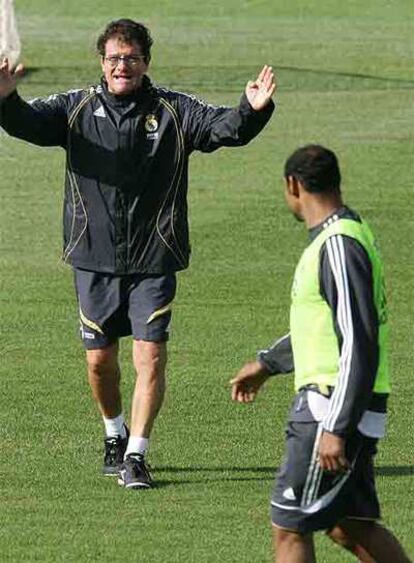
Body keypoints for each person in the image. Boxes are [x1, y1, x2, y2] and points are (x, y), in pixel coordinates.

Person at [0, 18, 276, 489]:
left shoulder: (173, 110)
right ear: (102, 64)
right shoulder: (75, 108)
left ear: (146, 61)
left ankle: (137, 453)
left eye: (130, 58)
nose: (122, 66)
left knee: (150, 357)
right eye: (113, 59)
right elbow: (26, 124)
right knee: (98, 363)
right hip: (94, 259)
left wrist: (250, 110)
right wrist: (6, 99)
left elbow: (221, 129)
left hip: (154, 260)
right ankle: (114, 431)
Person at [230, 145, 411, 562]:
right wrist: (267, 363)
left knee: (289, 527)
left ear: (292, 185)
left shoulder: (338, 245)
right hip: (347, 402)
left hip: (329, 406)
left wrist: (337, 426)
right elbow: (326, 327)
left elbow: (357, 339)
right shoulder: (348, 235)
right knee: (350, 526)